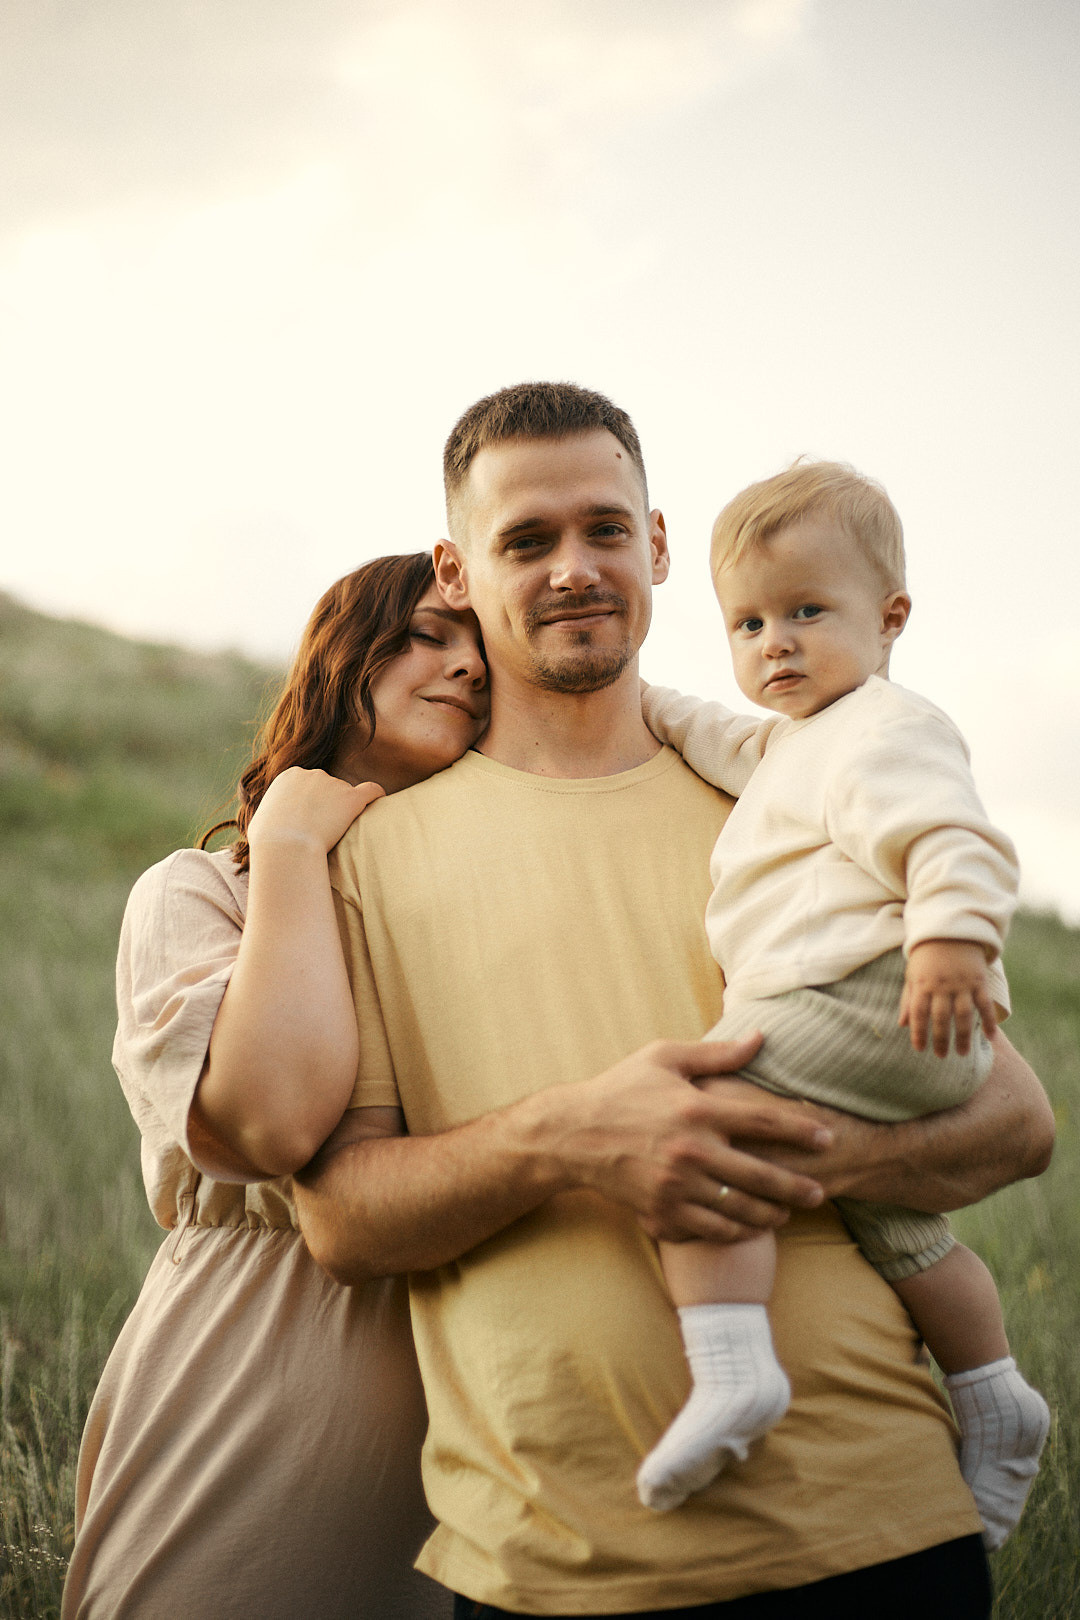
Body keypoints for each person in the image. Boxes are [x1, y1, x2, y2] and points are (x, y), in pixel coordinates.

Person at [295, 382, 1054, 1620]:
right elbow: (342, 1222)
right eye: (525, 540)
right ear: (456, 565)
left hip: (879, 1528)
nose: (574, 569)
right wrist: (571, 1138)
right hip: (553, 1558)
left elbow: (1012, 1125)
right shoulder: (368, 854)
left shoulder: (790, 790)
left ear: (656, 543)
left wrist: (743, 1155)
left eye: (605, 529)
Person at [62, 553, 488, 1620]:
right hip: (253, 1374)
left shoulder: (485, 916)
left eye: (484, 651)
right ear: (348, 656)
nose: (469, 666)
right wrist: (293, 839)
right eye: (431, 634)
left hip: (474, 1429)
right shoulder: (202, 893)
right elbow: (275, 1119)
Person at [633, 460, 1049, 1538]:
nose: (774, 642)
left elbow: (951, 834)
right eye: (748, 623)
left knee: (701, 1134)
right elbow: (703, 729)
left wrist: (950, 941)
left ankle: (733, 1366)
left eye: (807, 611)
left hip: (871, 997)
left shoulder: (882, 728)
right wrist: (639, 698)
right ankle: (994, 1394)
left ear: (890, 617)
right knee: (903, 1227)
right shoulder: (792, 740)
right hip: (883, 1028)